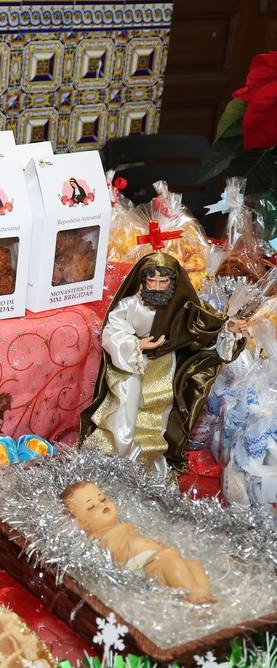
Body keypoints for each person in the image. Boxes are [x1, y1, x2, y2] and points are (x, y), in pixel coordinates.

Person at [80, 251, 245, 473]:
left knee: (157, 418)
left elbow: (206, 331)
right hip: (131, 367)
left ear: (172, 283)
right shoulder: (130, 305)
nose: (157, 286)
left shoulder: (182, 308)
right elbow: (112, 331)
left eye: (163, 281)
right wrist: (136, 345)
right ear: (142, 280)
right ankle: (116, 459)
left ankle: (147, 463)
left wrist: (227, 329)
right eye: (152, 280)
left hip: (163, 369)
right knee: (124, 416)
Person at [61, 482, 212, 603]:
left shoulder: (124, 526)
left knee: (193, 564)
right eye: (91, 507)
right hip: (137, 569)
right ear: (79, 523)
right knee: (168, 556)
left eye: (103, 499)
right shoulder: (97, 538)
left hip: (153, 559)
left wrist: (155, 545)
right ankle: (195, 596)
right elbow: (110, 556)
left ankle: (202, 599)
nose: (102, 505)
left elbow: (139, 542)